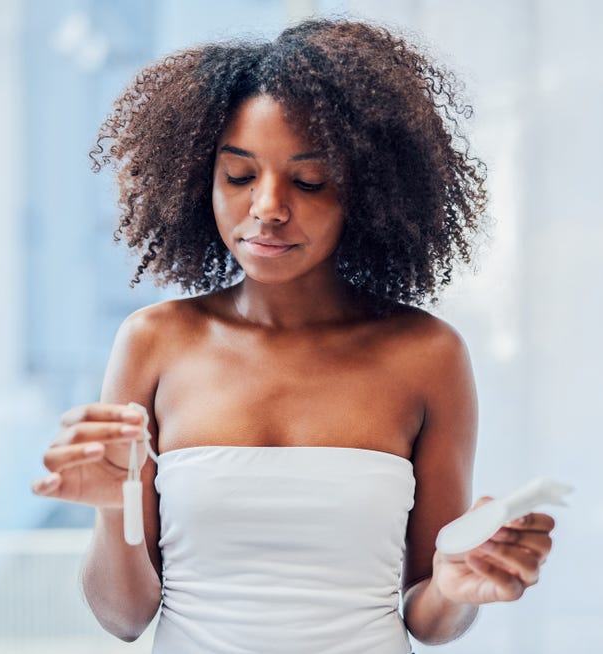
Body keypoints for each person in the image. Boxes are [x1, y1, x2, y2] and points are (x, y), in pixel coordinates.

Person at [31, 18, 556, 653]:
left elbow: (428, 614)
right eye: (240, 176)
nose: (269, 207)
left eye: (309, 181)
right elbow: (124, 618)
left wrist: (454, 583)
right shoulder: (154, 342)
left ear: (365, 192)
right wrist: (113, 509)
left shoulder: (427, 355)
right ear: (203, 180)